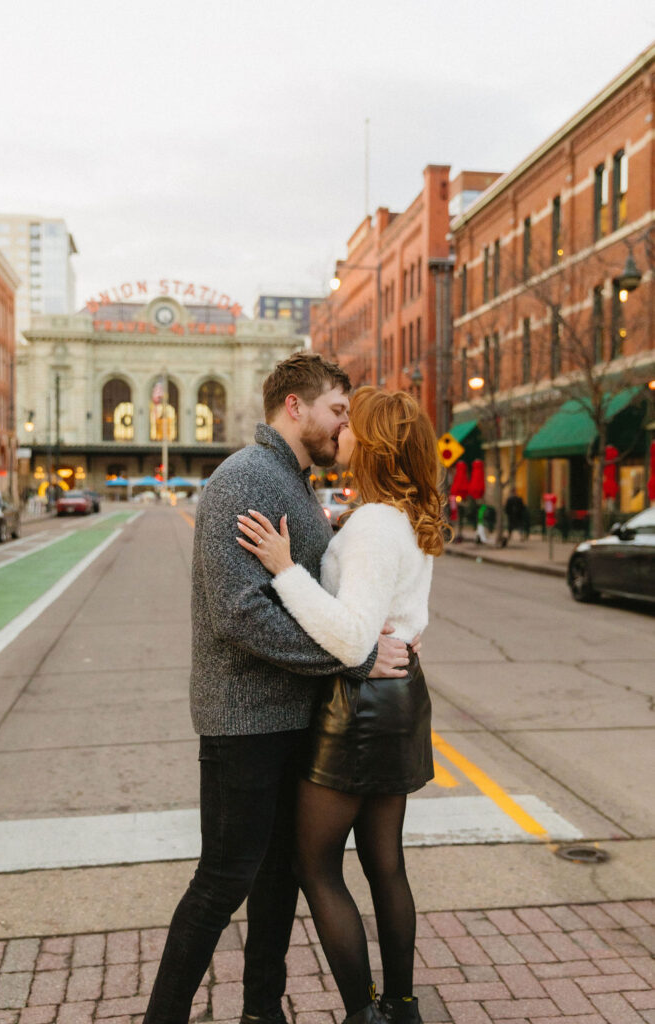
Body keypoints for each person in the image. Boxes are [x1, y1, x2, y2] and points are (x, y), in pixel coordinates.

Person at [143, 354, 415, 1024]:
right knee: (224, 879)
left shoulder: (291, 481)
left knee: (278, 880)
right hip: (243, 719)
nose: (342, 427)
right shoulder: (245, 479)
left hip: (293, 714)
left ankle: (262, 1010)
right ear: (293, 406)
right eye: (335, 411)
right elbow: (241, 613)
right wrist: (352, 661)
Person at [237, 387, 446, 1024]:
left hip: (358, 702)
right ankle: (401, 1005)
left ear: (375, 443)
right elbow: (404, 615)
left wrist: (285, 569)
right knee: (386, 862)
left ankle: (364, 1012)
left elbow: (352, 637)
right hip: (400, 693)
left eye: (353, 425)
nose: (341, 431)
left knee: (315, 863)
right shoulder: (402, 515)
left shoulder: (377, 526)